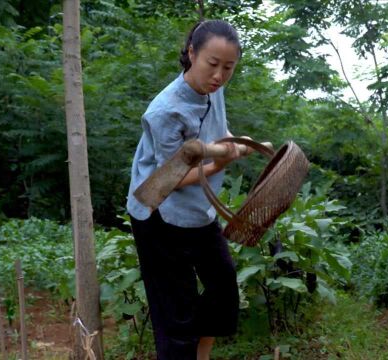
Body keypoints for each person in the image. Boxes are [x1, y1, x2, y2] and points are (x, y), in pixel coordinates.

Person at [126, 19, 245, 360]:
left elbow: (217, 129)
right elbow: (170, 180)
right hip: (157, 213)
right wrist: (219, 164)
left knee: (223, 290)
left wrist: (234, 146)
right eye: (212, 64)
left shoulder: (214, 89)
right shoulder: (164, 112)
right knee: (176, 313)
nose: (219, 76)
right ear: (192, 53)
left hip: (198, 209)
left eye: (228, 67)